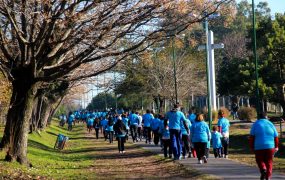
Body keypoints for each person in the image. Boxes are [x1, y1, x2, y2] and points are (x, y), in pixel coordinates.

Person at [249, 112, 279, 180]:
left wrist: (252, 147)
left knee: (259, 160)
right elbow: (276, 137)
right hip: (270, 146)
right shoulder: (271, 124)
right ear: (266, 117)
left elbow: (252, 137)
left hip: (259, 146)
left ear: (258, 118)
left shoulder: (255, 124)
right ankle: (268, 177)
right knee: (269, 162)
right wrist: (276, 146)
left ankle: (263, 169)